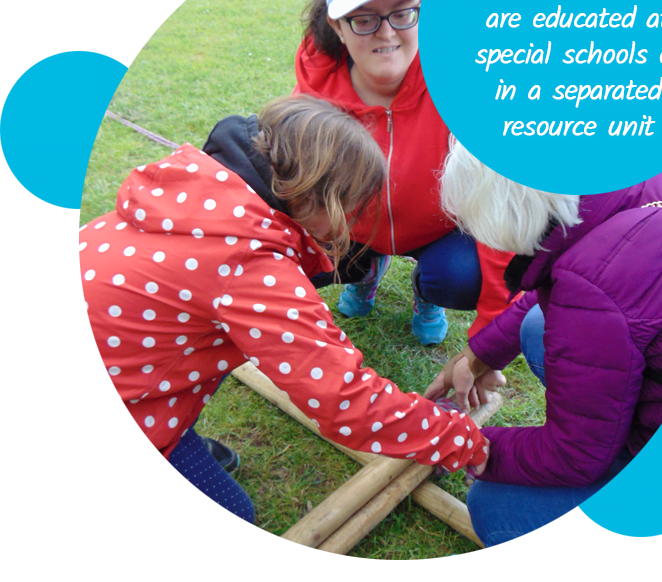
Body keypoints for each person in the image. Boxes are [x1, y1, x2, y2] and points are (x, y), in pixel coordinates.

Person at [80, 96, 489, 538]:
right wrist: (462, 440)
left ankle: (177, 433)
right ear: (319, 197)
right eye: (350, 209)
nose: (350, 228)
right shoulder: (248, 265)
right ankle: (169, 437)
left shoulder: (199, 192)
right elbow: (344, 400)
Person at [424, 138, 662, 579]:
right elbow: (566, 283)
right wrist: (480, 352)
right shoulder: (629, 176)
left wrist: (471, 445)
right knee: (537, 326)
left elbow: (574, 455)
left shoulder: (593, 292)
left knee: (498, 509)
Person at [296, 0, 515, 345]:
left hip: (441, 229)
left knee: (459, 277)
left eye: (403, 12)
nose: (386, 33)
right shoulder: (314, 89)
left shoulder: (469, 80)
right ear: (337, 26)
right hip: (352, 229)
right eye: (363, 18)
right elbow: (287, 191)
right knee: (306, 253)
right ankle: (364, 268)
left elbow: (502, 207)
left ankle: (426, 290)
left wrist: (490, 332)